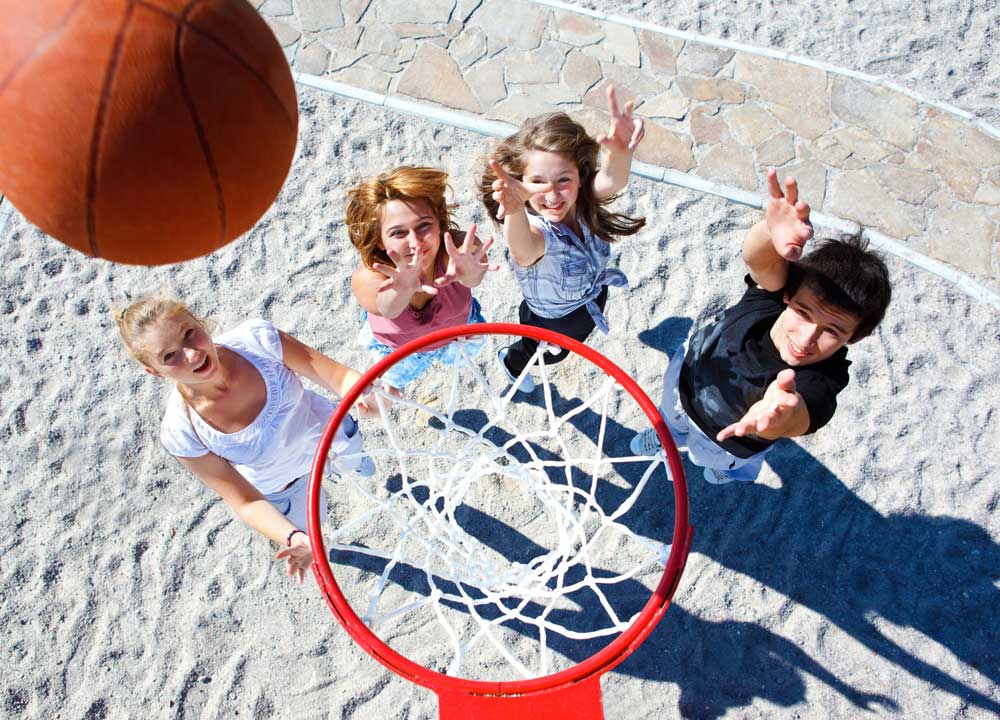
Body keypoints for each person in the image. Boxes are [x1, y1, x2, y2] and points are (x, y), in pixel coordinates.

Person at [631, 169, 892, 484]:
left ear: (855, 337)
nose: (807, 337)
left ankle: (731, 470)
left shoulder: (824, 378)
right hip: (686, 379)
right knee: (671, 418)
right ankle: (670, 435)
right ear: (789, 294)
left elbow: (803, 412)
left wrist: (779, 418)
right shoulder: (769, 299)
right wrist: (769, 231)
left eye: (832, 331)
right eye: (803, 312)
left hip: (727, 440)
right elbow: (759, 260)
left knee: (710, 459)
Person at [116, 297, 375, 583]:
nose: (191, 354)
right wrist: (293, 537)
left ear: (198, 321)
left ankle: (358, 466)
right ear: (153, 371)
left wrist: (367, 392)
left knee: (359, 461)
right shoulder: (181, 432)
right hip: (284, 487)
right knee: (312, 528)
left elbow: (339, 377)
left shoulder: (258, 340)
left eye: (188, 333)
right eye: (169, 356)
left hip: (329, 435)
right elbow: (246, 501)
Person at [480, 84, 646, 392]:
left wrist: (620, 153)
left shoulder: (581, 202)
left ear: (580, 177)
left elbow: (613, 178)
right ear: (520, 182)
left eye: (563, 179)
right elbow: (523, 249)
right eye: (537, 182)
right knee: (545, 355)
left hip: (590, 298)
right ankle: (511, 362)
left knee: (572, 342)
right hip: (550, 320)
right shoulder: (537, 231)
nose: (553, 194)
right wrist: (514, 210)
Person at [347, 166, 497, 388]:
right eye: (398, 233)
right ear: (379, 240)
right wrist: (401, 288)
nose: (415, 243)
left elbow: (472, 278)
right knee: (391, 386)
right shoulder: (369, 276)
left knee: (464, 360)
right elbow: (389, 309)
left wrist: (472, 272)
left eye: (424, 226)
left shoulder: (456, 249)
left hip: (457, 334)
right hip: (398, 350)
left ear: (439, 224)